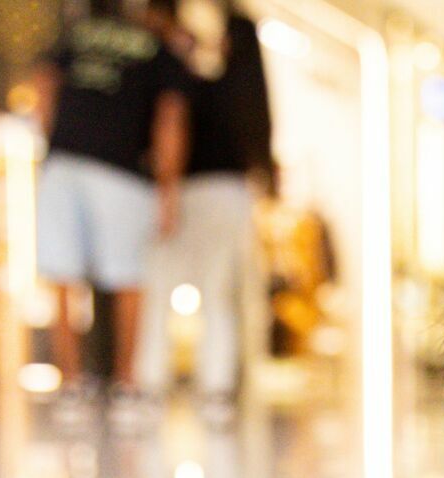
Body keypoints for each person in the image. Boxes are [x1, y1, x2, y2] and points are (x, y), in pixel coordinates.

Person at [32, 0, 188, 411]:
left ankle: (70, 385)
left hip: (63, 163)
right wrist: (167, 190)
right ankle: (126, 385)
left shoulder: (76, 36)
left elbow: (43, 85)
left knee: (61, 275)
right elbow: (170, 119)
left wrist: (53, 138)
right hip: (124, 172)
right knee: (128, 278)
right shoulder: (159, 49)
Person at [136, 2, 272, 418]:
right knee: (217, 294)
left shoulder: (177, 78)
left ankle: (152, 384)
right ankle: (214, 389)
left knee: (162, 288)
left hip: (184, 190)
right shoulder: (242, 86)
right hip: (225, 192)